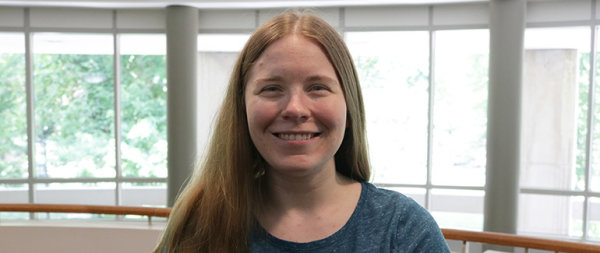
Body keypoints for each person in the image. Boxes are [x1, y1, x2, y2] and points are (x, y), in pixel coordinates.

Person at [154, 11, 450, 253]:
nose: (295, 108)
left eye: (317, 88)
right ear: (241, 108)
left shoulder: (403, 230)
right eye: (272, 89)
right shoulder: (201, 222)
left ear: (349, 106)